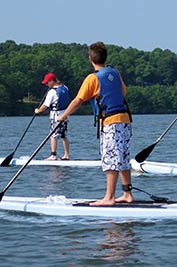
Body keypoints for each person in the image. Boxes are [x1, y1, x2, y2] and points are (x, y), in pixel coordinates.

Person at [59, 41, 133, 206]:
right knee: (123, 157)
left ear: (90, 59)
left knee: (111, 159)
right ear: (105, 58)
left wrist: (63, 115)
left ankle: (109, 198)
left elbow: (78, 100)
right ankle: (127, 193)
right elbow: (123, 91)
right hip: (125, 121)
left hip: (110, 122)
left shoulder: (92, 78)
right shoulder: (115, 72)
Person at [35, 73, 71, 160]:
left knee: (53, 136)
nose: (47, 85)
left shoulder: (52, 92)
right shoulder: (65, 88)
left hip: (56, 116)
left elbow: (45, 105)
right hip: (65, 115)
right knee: (63, 135)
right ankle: (66, 155)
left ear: (51, 81)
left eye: (47, 83)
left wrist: (38, 110)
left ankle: (53, 155)